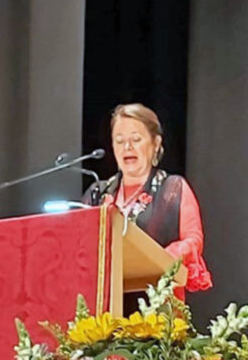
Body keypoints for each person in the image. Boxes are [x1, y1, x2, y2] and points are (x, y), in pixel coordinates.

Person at [83, 103, 212, 296]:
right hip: (102, 308)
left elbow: (193, 239)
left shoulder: (172, 189)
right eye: (119, 140)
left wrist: (166, 257)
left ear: (155, 143)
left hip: (157, 305)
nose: (127, 147)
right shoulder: (97, 194)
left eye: (136, 139)